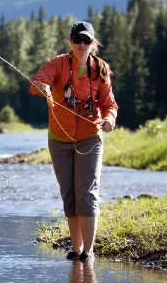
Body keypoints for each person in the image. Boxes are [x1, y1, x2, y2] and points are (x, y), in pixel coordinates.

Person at [28, 21, 118, 262]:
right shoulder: (57, 64)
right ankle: (75, 248)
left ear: (93, 43)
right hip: (59, 139)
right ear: (71, 42)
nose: (81, 45)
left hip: (90, 137)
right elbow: (35, 85)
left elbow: (110, 105)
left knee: (86, 192)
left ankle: (88, 251)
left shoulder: (100, 69)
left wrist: (109, 119)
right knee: (69, 194)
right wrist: (43, 88)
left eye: (86, 40)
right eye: (77, 40)